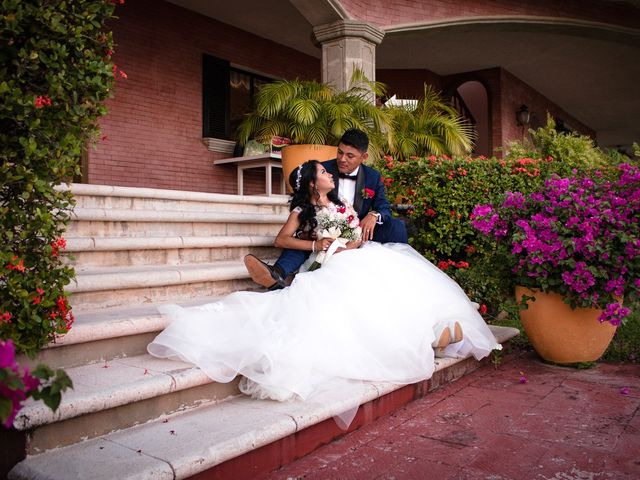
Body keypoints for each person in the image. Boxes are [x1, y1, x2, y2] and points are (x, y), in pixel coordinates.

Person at [148, 160, 501, 427]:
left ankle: (429, 329)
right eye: (324, 172)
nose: (331, 173)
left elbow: (356, 234)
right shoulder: (305, 209)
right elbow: (281, 239)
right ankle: (422, 338)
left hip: (353, 253)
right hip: (327, 261)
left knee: (388, 271)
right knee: (354, 289)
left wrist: (351, 242)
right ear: (314, 182)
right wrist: (317, 241)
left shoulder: (343, 206)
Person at [244, 128, 407, 290]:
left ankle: (403, 265)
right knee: (309, 237)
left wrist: (373, 214)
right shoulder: (323, 169)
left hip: (356, 228)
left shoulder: (372, 176)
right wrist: (312, 229)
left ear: (364, 157)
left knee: (396, 226)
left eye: (350, 156)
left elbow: (383, 206)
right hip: (322, 227)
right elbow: (304, 201)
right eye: (340, 152)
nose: (342, 159)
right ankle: (277, 272)